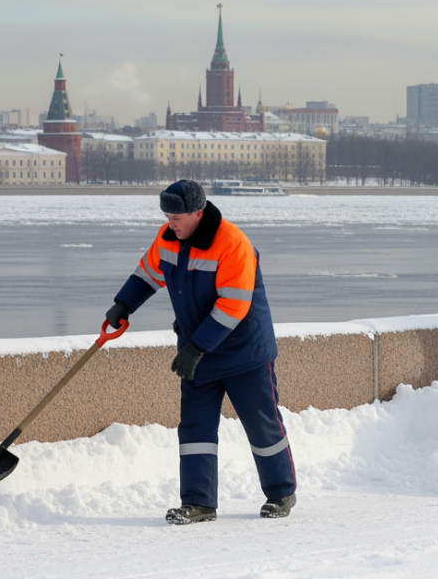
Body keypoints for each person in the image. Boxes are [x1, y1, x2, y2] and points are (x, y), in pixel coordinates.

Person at [107, 179, 297, 524]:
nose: (170, 223)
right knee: (195, 429)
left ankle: (281, 493)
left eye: (176, 217)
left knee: (261, 425)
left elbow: (233, 306)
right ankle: (198, 502)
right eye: (167, 217)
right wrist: (124, 304)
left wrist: (195, 348)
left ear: (197, 213)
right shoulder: (168, 237)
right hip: (198, 353)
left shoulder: (232, 244)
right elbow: (148, 273)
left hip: (244, 354)